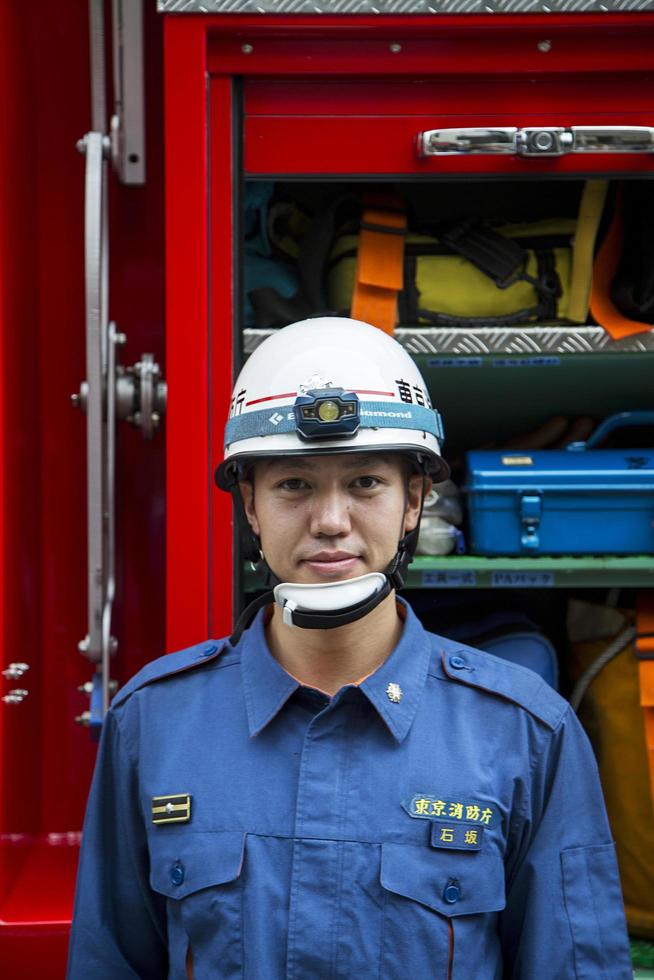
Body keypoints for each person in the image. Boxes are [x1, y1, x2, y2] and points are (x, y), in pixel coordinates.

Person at [67, 317, 631, 979]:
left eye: (365, 483)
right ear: (250, 505)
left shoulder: (526, 733)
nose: (330, 521)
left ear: (415, 501)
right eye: (294, 485)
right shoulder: (154, 723)